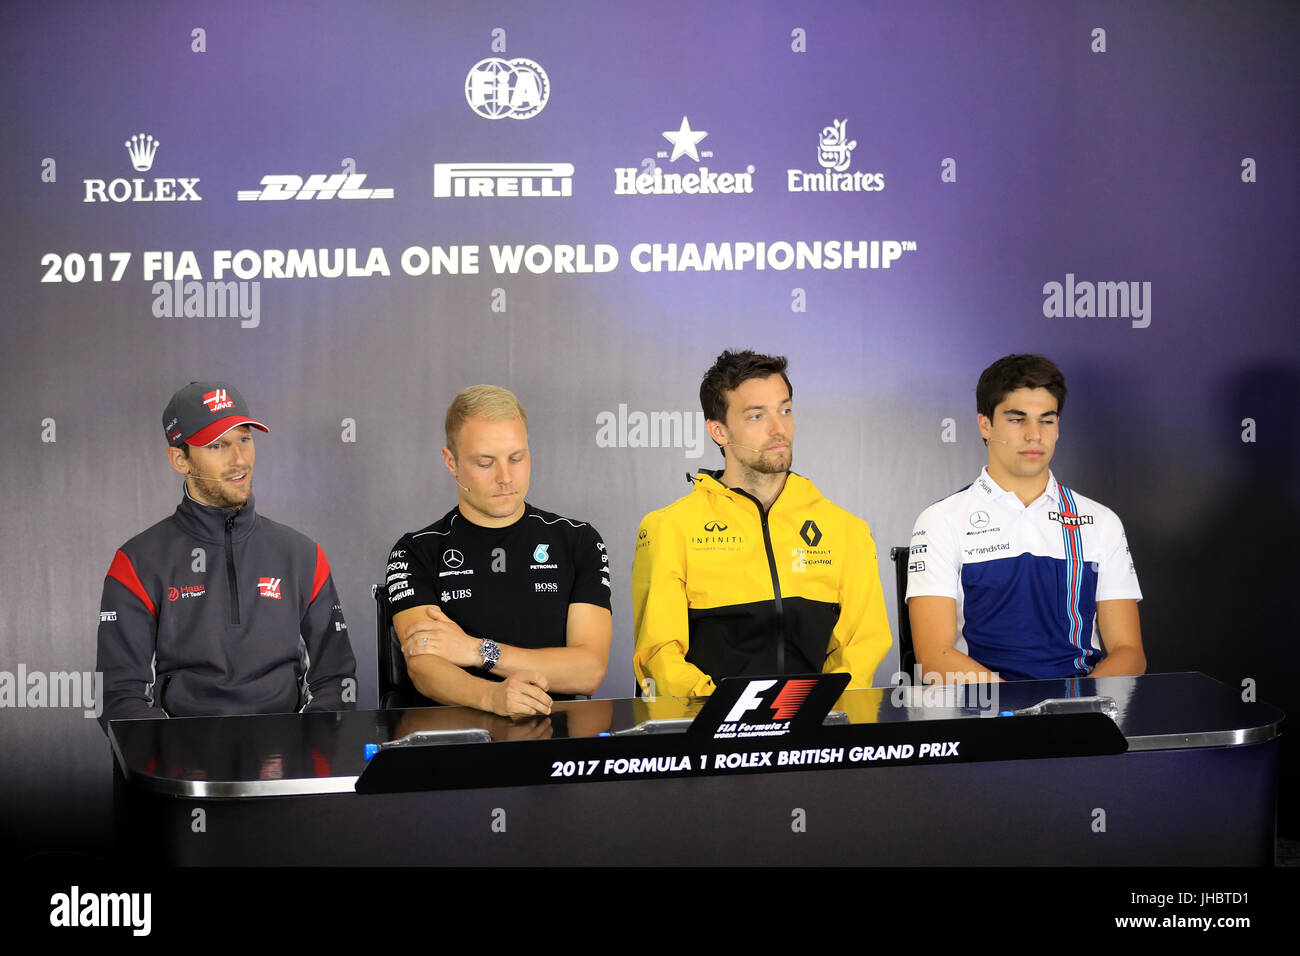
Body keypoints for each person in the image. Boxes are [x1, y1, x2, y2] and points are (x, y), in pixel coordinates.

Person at [96, 381, 356, 730]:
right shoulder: (137, 562)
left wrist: (305, 749)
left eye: (244, 439)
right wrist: (182, 766)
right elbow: (118, 698)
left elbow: (337, 681)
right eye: (217, 445)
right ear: (180, 459)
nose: (239, 460)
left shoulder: (303, 555)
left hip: (284, 762)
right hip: (184, 770)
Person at [632, 349, 892, 697]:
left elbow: (862, 648)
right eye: (757, 416)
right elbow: (659, 655)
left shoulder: (846, 530)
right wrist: (729, 716)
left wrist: (817, 712)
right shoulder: (671, 528)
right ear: (719, 431)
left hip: (816, 735)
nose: (778, 428)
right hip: (711, 734)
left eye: (785, 410)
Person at [906, 354, 1146, 683]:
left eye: (1046, 420)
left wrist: (1076, 709)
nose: (1034, 434)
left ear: (1058, 427)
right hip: (984, 718)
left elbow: (1129, 652)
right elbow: (933, 657)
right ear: (985, 425)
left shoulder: (1100, 521)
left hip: (1078, 717)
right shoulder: (940, 521)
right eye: (1017, 420)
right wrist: (1022, 716)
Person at [385, 386, 611, 716]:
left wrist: (478, 651)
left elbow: (588, 670)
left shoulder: (578, 540)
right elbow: (424, 667)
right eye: (485, 462)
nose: (505, 477)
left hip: (558, 745)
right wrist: (493, 698)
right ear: (451, 462)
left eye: (516, 458)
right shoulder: (416, 551)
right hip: (454, 747)